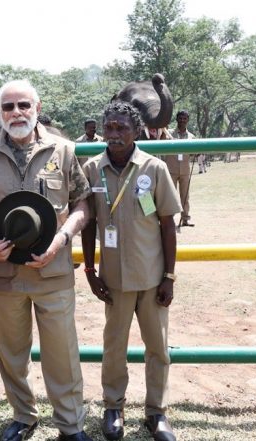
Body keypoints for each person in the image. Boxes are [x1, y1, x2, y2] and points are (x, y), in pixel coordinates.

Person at [0, 79, 93, 441]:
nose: (16, 113)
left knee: (62, 353)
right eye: (8, 107)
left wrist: (63, 239)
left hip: (52, 269)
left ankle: (70, 424)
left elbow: (83, 203)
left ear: (37, 107)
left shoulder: (64, 151)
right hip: (2, 274)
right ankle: (23, 415)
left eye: (23, 105)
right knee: (11, 352)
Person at [81, 101, 181, 441]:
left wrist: (169, 277)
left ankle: (157, 413)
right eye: (109, 127)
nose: (114, 134)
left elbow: (168, 225)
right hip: (114, 280)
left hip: (152, 279)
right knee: (114, 346)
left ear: (137, 131)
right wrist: (91, 270)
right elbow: (89, 223)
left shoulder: (154, 168)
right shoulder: (93, 169)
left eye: (122, 128)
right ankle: (113, 407)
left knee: (158, 348)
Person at [162, 110, 196, 228]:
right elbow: (161, 144)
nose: (182, 120)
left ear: (188, 120)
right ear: (177, 119)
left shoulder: (191, 137)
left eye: (185, 118)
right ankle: (168, 220)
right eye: (180, 118)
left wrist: (197, 153)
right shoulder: (168, 134)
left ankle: (185, 218)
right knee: (170, 196)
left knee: (185, 196)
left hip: (185, 171)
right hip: (171, 169)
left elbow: (194, 153)